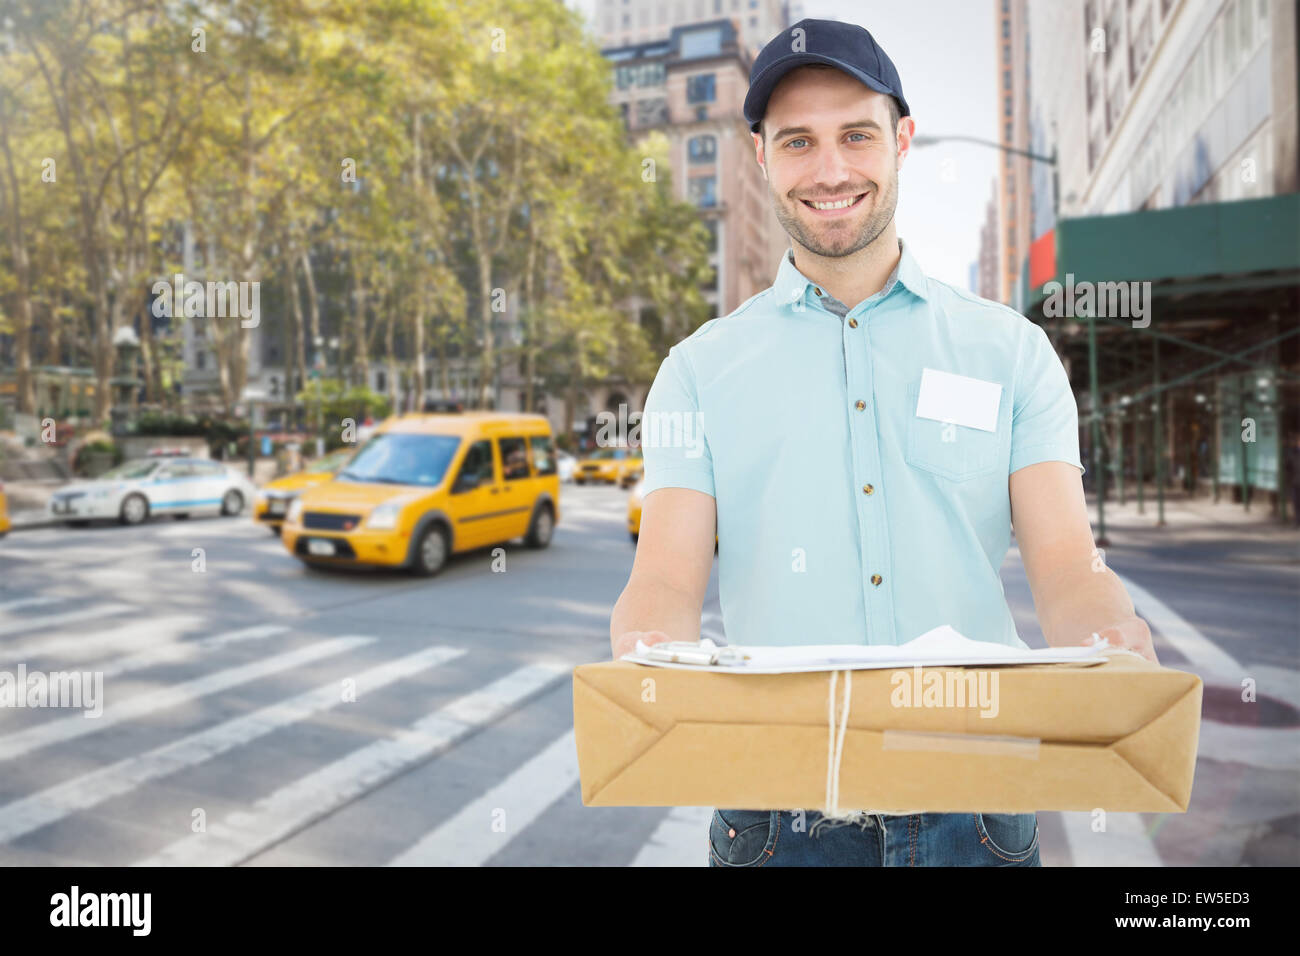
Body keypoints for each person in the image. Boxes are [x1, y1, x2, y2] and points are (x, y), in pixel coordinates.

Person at [608, 18, 1158, 868]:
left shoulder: (1010, 351)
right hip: (777, 820)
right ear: (762, 158)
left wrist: (1112, 633)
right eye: (798, 142)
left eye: (856, 135)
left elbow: (1064, 568)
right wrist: (645, 656)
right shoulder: (696, 372)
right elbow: (666, 582)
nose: (830, 171)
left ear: (903, 140)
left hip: (977, 807)